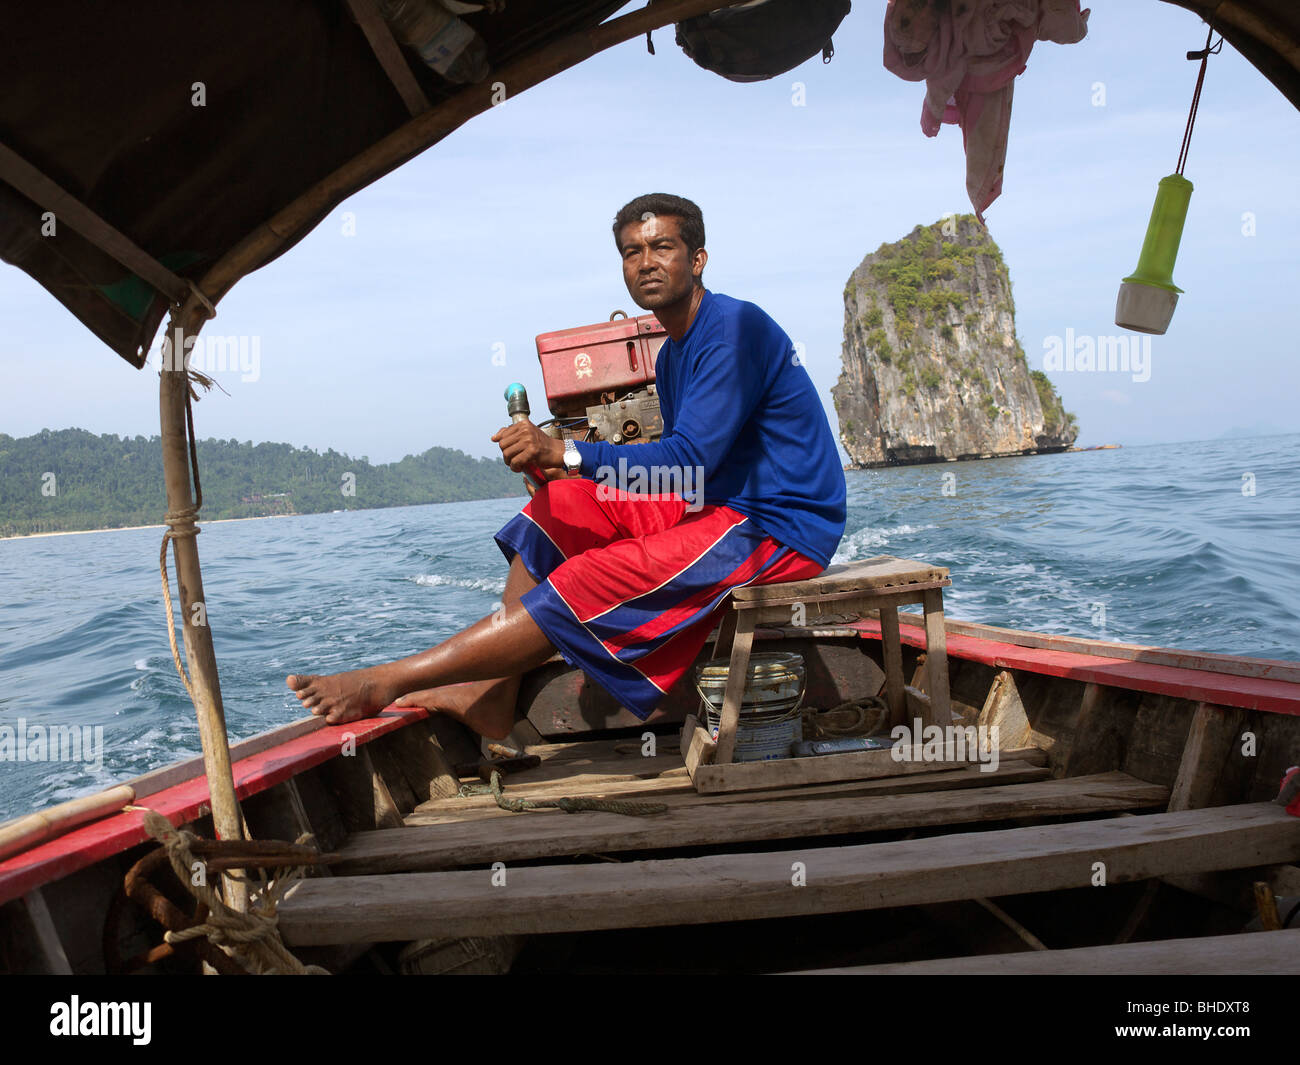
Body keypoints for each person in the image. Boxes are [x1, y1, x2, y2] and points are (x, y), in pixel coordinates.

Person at [286, 193, 846, 737]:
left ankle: (384, 681)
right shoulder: (674, 352)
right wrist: (568, 473)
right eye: (632, 252)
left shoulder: (733, 330)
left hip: (778, 526)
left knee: (587, 576)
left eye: (662, 247)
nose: (646, 262)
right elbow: (681, 476)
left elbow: (690, 460)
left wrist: (568, 452)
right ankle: (494, 693)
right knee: (558, 503)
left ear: (697, 260)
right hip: (713, 505)